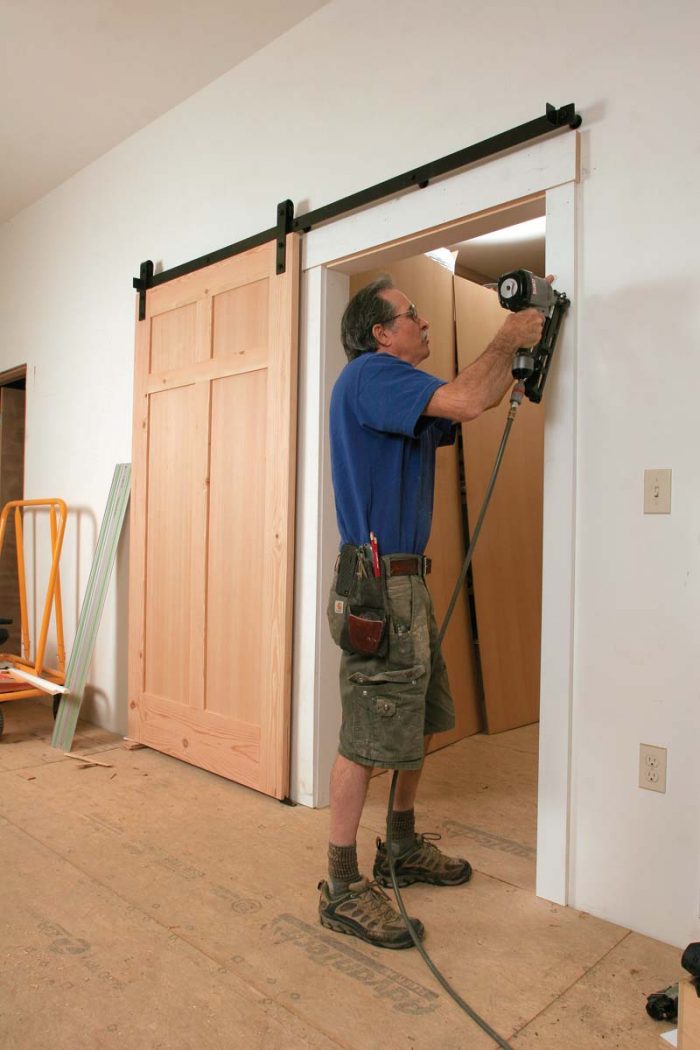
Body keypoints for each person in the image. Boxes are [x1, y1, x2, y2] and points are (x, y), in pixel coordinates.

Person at [319, 274, 546, 950]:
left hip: (405, 583)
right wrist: (509, 337)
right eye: (409, 315)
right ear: (379, 333)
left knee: (415, 718)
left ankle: (400, 845)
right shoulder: (371, 376)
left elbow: (465, 402)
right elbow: (469, 398)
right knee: (366, 734)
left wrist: (521, 362)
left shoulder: (403, 395)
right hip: (379, 587)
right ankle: (341, 885)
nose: (420, 323)